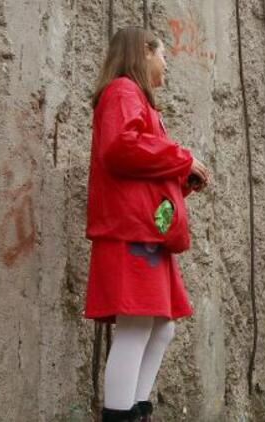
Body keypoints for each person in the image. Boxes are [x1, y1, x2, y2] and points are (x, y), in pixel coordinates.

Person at [85, 27, 209, 422]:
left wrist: (182, 178)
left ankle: (134, 409)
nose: (166, 63)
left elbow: (141, 170)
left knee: (160, 328)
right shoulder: (123, 91)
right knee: (137, 326)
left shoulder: (134, 98)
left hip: (143, 230)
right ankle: (120, 414)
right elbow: (121, 148)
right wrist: (181, 157)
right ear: (143, 52)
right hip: (130, 232)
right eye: (162, 55)